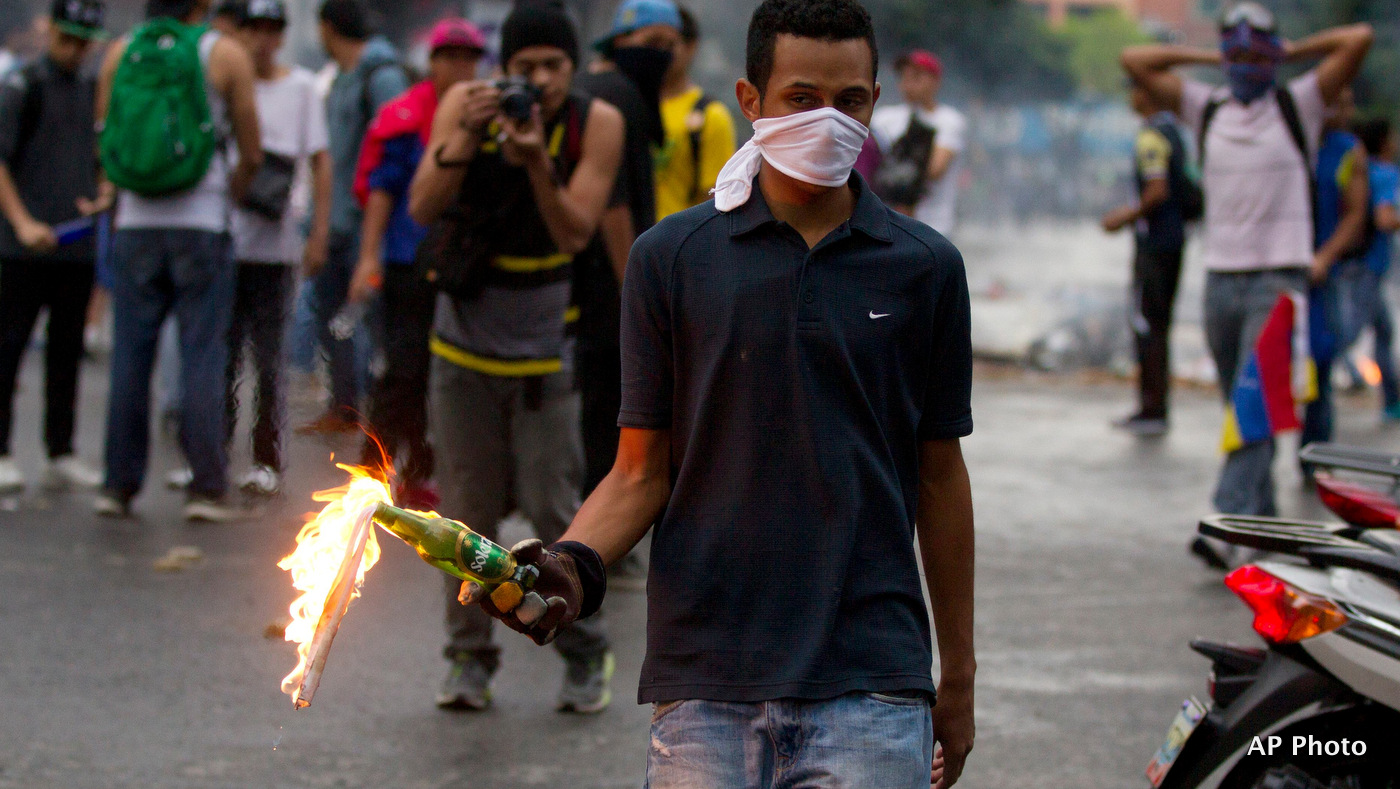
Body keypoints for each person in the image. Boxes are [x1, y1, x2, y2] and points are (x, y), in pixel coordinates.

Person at [469, 1, 977, 786]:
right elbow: (641, 470)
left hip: (873, 682)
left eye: (850, 102)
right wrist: (571, 564)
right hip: (705, 682)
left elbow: (940, 478)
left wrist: (958, 680)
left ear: (875, 101)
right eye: (801, 98)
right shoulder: (670, 259)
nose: (828, 121)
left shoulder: (925, 268)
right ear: (751, 101)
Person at [406, 0, 624, 713]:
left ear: (573, 66)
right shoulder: (464, 108)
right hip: (461, 349)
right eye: (524, 67)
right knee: (461, 516)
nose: (538, 81)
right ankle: (468, 658)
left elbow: (573, 232)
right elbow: (422, 208)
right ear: (504, 68)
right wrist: (466, 136)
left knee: (553, 510)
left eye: (553, 66)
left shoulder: (596, 123)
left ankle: (584, 654)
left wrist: (535, 159)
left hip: (542, 354)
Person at [1123, 3, 1372, 523]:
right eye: (1235, 54)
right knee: (1240, 409)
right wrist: (1212, 55)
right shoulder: (1205, 106)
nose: (1244, 66)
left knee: (1253, 404)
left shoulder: (1296, 103)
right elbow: (1135, 59)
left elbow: (1359, 37)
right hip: (1219, 281)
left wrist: (1290, 55)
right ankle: (1261, 522)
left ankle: (1227, 519)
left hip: (1278, 282)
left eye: (1254, 54)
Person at [94, 0, 263, 520]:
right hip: (202, 223)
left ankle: (118, 487)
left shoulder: (121, 53)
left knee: (130, 357)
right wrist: (229, 192)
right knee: (203, 356)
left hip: (135, 224)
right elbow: (252, 150)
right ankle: (206, 487)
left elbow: (105, 136)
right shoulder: (225, 53)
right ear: (204, 4)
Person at [344, 17, 486, 508]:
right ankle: (370, 472)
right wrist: (367, 258)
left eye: (468, 57)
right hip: (408, 264)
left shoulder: (488, 112)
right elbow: (381, 191)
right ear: (432, 62)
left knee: (439, 378)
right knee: (402, 372)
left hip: (462, 270)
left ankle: (420, 474)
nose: (460, 66)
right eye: (449, 56)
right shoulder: (407, 114)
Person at [223, 0, 331, 497]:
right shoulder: (226, 80)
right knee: (218, 359)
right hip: (226, 240)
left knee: (269, 361)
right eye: (255, 29)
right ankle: (213, 455)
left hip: (277, 245)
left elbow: (320, 162)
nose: (263, 40)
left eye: (272, 30)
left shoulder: (302, 88)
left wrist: (318, 233)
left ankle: (267, 459)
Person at [0, 0, 108, 494]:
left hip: (74, 244)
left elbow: (102, 154)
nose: (75, 51)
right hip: (21, 247)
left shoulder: (92, 89)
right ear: (50, 33)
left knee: (66, 352)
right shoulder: (22, 85)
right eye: (68, 40)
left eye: (84, 42)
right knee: (9, 349)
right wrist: (21, 222)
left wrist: (103, 192)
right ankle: (2, 450)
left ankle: (59, 449)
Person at [572, 0, 679, 501]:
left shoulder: (592, 88)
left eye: (669, 46)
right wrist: (632, 293)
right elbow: (614, 204)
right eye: (650, 45)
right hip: (606, 282)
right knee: (613, 409)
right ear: (618, 43)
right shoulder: (619, 93)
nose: (663, 57)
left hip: (580, 278)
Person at [300, 0, 410, 435]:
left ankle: (377, 417)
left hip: (368, 225)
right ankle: (345, 406)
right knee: (335, 321)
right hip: (338, 223)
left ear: (328, 28)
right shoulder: (346, 78)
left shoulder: (381, 76)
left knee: (372, 324)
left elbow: (397, 146)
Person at [1101, 83, 1193, 436]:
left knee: (1147, 325)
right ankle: (1155, 405)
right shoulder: (1175, 132)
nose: (1131, 95)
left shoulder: (1151, 137)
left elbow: (1157, 190)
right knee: (1159, 325)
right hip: (1173, 240)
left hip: (1154, 245)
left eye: (1136, 88)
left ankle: (1152, 407)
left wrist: (1123, 217)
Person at [1299, 88, 1369, 469]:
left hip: (1324, 272)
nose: (1346, 111)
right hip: (1281, 267)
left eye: (1348, 103)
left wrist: (1324, 257)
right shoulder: (1291, 135)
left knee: (1321, 363)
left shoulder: (1347, 150)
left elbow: (1355, 214)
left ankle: (1315, 456)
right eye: (1338, 103)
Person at [869, 49, 966, 234]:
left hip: (932, 224)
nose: (908, 81)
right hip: (887, 222)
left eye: (917, 75)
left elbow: (935, 170)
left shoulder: (948, 120)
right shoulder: (884, 118)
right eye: (904, 75)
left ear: (935, 81)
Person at [654, 5, 736, 221]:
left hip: (676, 244)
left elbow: (715, 201)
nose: (657, 52)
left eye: (667, 44)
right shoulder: (625, 108)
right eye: (650, 44)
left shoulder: (711, 116)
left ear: (690, 46)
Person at [1342, 118, 1400, 420]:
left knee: (1381, 329)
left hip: (1353, 260)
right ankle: (1305, 365)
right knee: (1348, 331)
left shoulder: (1359, 170)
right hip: (1371, 264)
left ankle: (1391, 399)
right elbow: (1384, 218)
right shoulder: (1386, 174)